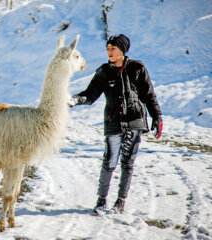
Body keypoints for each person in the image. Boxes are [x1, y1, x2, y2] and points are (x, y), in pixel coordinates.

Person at [69, 34, 163, 214]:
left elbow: (149, 95)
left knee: (127, 163)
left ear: (122, 50)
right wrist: (74, 100)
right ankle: (101, 201)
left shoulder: (137, 68)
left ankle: (120, 202)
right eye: (107, 48)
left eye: (113, 48)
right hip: (113, 123)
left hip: (135, 122)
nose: (109, 52)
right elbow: (90, 95)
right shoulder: (103, 71)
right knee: (109, 162)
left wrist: (157, 117)